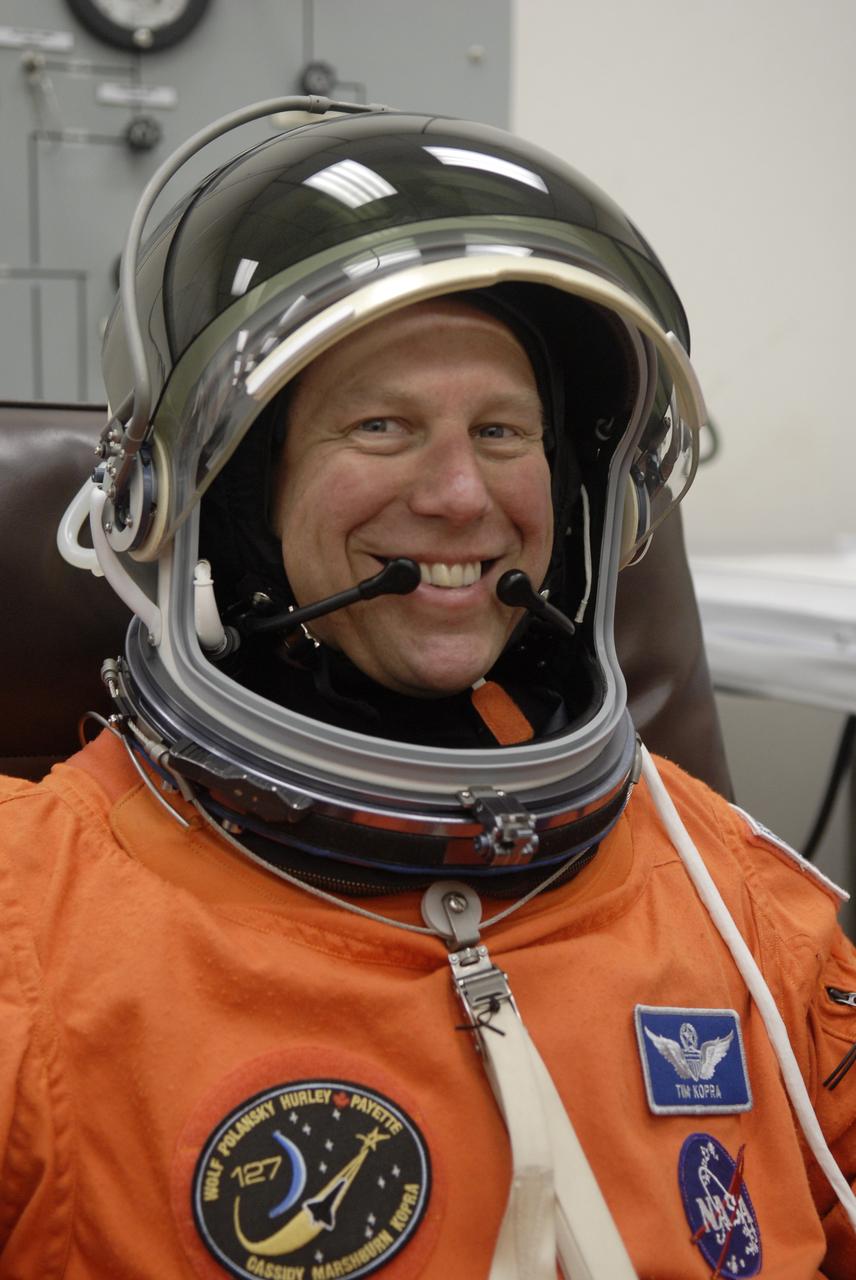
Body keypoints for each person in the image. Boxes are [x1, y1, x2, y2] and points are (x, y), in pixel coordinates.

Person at [2, 97, 856, 1280]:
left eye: (504, 431)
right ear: (232, 499)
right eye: (384, 424)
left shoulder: (740, 905)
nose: (460, 495)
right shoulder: (29, 926)